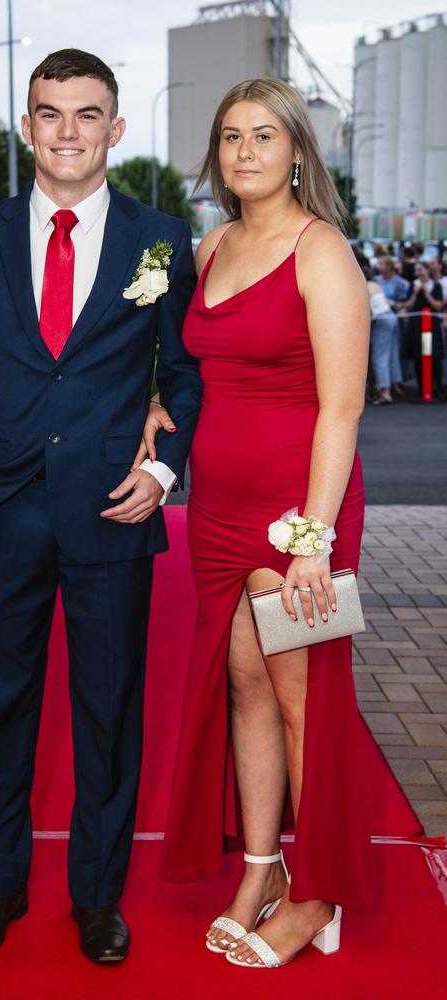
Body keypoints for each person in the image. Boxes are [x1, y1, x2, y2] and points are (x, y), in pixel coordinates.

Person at [0, 49, 201, 964]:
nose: (67, 131)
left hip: (113, 509)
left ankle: (97, 898)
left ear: (115, 130)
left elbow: (185, 373)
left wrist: (163, 473)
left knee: (109, 712)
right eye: (50, 113)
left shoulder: (158, 241)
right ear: (27, 127)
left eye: (86, 114)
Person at [137, 78, 420, 969]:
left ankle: (319, 894)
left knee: (307, 704)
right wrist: (155, 403)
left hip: (298, 517)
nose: (246, 152)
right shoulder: (213, 243)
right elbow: (189, 361)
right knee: (247, 691)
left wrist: (313, 541)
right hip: (216, 511)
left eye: (265, 135)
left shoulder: (321, 249)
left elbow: (343, 411)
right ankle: (260, 870)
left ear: (298, 151)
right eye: (231, 137)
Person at [401, 260, 444, 399]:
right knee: (418, 357)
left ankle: (438, 388)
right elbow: (407, 306)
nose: (418, 273)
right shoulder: (413, 285)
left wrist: (426, 293)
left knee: (435, 357)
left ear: (427, 270)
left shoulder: (436, 286)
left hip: (433, 325)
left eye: (421, 269)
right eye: (416, 270)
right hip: (416, 326)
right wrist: (415, 293)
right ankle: (421, 388)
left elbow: (438, 306)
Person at [363, 261, 399, 406]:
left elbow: (368, 311)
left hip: (382, 321)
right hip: (390, 317)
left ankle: (385, 393)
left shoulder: (364, 287)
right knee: (390, 355)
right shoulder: (375, 284)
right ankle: (389, 388)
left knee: (379, 358)